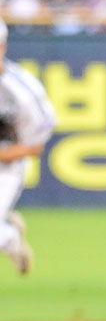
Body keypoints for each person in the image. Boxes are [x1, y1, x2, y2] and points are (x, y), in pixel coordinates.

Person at [0, 18, 57, 276]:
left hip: (6, 169)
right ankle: (9, 234)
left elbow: (36, 145)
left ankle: (9, 237)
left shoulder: (23, 90)